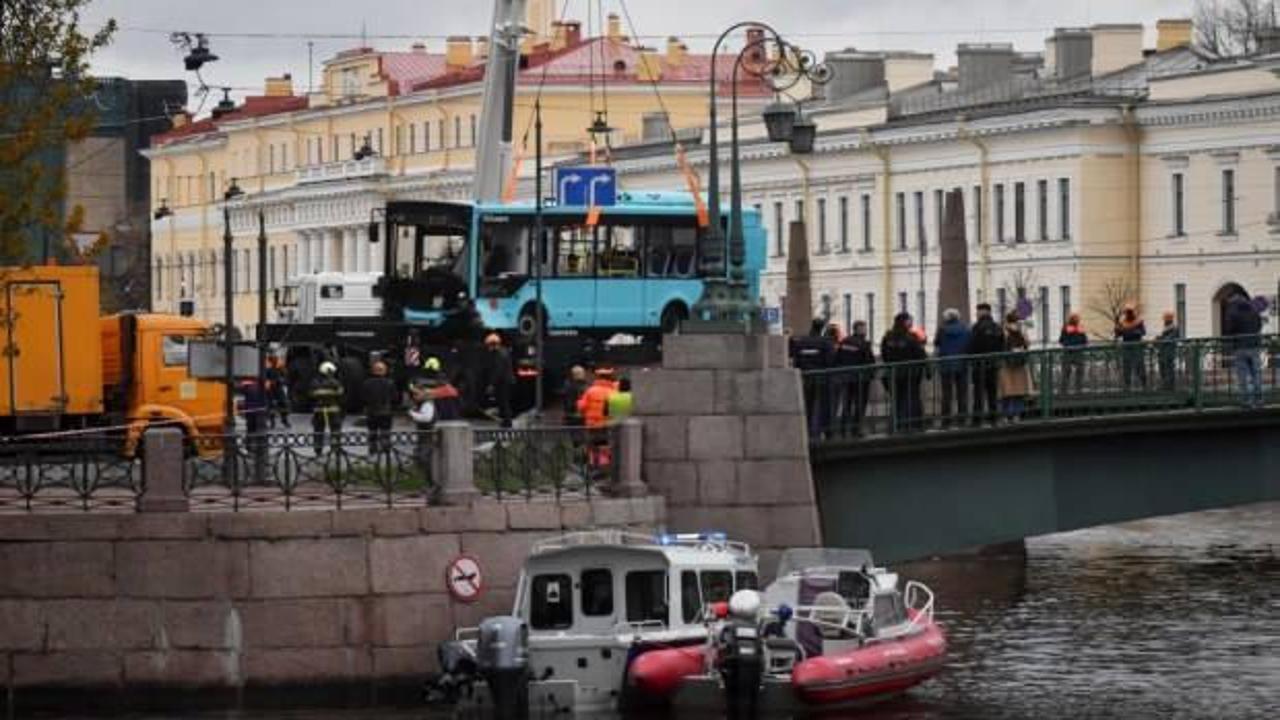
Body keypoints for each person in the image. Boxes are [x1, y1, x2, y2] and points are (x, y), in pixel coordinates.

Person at [880, 312, 927, 433]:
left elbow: (884, 355)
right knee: (910, 399)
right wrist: (927, 370)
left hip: (893, 374)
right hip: (910, 374)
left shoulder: (888, 337)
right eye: (909, 321)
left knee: (897, 400)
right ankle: (910, 425)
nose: (911, 323)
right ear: (904, 322)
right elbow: (921, 355)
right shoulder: (911, 338)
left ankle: (895, 425)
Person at [791, 317, 835, 438]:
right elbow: (830, 361)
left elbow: (796, 361)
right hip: (822, 378)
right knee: (824, 406)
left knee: (808, 405)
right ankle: (825, 431)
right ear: (822, 328)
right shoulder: (826, 342)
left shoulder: (801, 342)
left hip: (806, 377)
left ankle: (807, 431)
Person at [833, 321, 876, 437]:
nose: (865, 331)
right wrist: (871, 375)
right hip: (860, 379)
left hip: (846, 377)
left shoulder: (844, 342)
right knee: (860, 405)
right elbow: (869, 362)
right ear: (858, 330)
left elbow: (837, 358)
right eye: (864, 329)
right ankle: (856, 429)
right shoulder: (864, 344)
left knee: (847, 404)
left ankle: (843, 429)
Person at [1223, 293, 1264, 408]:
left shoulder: (1233, 313)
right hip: (1254, 346)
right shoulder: (1254, 312)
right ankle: (1259, 399)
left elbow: (1229, 329)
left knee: (1243, 375)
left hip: (1240, 347)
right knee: (1256, 373)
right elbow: (1259, 326)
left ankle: (1246, 401)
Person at [968, 303, 1005, 426]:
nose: (976, 314)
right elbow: (1002, 346)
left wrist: (971, 358)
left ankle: (977, 420)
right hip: (993, 364)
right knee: (992, 392)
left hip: (979, 365)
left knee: (978, 393)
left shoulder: (977, 327)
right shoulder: (997, 327)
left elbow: (972, 346)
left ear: (984, 312)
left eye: (978, 311)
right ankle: (993, 418)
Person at [934, 308, 972, 428]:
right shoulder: (965, 329)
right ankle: (962, 419)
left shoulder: (942, 330)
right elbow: (969, 343)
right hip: (962, 364)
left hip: (946, 365)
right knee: (962, 393)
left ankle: (946, 421)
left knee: (947, 394)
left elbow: (937, 343)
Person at [577, 367, 618, 471]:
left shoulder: (590, 391)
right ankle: (604, 468)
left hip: (592, 425)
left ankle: (594, 467)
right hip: (607, 425)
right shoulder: (614, 391)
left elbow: (582, 407)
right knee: (605, 447)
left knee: (593, 447)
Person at [998, 312, 1032, 422]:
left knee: (1006, 391)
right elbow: (1027, 345)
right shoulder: (1021, 331)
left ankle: (1005, 415)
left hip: (1005, 364)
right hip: (1020, 365)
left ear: (1007, 320)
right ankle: (1017, 415)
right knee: (1019, 391)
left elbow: (1000, 346)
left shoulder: (1003, 331)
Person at [361, 360, 397, 453]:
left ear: (373, 371)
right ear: (384, 371)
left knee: (372, 432)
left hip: (371, 412)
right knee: (385, 432)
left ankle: (372, 449)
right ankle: (386, 449)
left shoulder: (366, 383)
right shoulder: (390, 383)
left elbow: (363, 398)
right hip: (386, 412)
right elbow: (395, 398)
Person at [309, 361, 345, 452]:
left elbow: (311, 395)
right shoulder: (336, 382)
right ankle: (335, 447)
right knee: (335, 430)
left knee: (318, 430)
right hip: (333, 410)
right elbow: (341, 395)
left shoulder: (314, 382)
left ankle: (318, 448)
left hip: (319, 410)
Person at [481, 333, 514, 428]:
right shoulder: (503, 352)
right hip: (505, 381)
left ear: (494, 344)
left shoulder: (499, 355)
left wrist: (491, 384)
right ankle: (506, 421)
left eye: (489, 345)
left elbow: (497, 371)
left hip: (503, 382)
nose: (488, 348)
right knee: (503, 402)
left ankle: (507, 423)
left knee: (503, 402)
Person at [1114, 304, 1148, 390]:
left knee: (1140, 366)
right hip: (1127, 347)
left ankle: (1144, 384)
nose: (1129, 314)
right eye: (1127, 312)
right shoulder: (1122, 323)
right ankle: (1127, 385)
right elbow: (1118, 334)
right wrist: (1118, 329)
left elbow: (1143, 332)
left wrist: (1130, 331)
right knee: (1126, 367)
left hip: (1137, 347)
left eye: (1130, 312)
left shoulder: (1139, 322)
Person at [1058, 313, 1088, 394]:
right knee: (1073, 372)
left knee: (1069, 372)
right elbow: (1085, 341)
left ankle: (1066, 390)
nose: (1077, 320)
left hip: (1070, 352)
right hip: (1074, 352)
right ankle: (1074, 390)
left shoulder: (1068, 328)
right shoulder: (1075, 329)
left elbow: (1061, 340)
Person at [1157, 311, 1181, 392]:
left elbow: (1169, 339)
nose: (1164, 320)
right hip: (1163, 352)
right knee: (1163, 368)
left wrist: (1160, 339)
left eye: (1166, 319)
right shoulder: (1167, 328)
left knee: (1169, 369)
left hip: (1169, 351)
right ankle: (1165, 385)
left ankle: (1170, 386)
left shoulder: (1174, 328)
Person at [264, 356, 290, 428]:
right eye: (279, 360)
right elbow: (267, 380)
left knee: (283, 404)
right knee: (271, 406)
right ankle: (272, 422)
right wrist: (271, 382)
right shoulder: (268, 370)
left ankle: (284, 420)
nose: (280, 362)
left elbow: (285, 379)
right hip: (272, 390)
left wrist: (280, 380)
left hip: (279, 389)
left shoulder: (280, 369)